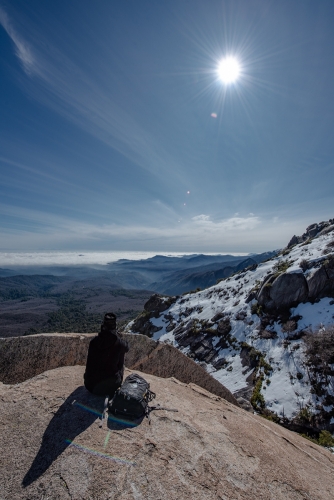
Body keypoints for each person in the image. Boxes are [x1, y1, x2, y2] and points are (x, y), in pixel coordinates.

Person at [84, 313, 129, 397]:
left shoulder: (93, 342)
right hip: (111, 387)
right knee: (121, 351)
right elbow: (127, 348)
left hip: (90, 386)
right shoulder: (118, 343)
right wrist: (118, 336)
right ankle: (116, 375)